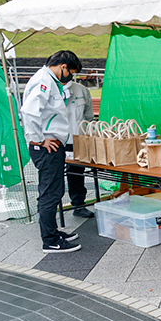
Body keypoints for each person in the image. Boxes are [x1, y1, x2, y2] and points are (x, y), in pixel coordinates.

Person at [20, 50, 83, 253]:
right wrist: (38, 140)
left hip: (53, 145)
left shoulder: (48, 80)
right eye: (71, 72)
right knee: (50, 193)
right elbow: (29, 112)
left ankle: (53, 233)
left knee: (54, 191)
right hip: (47, 147)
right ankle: (50, 240)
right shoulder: (43, 81)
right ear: (63, 67)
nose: (70, 77)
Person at [64, 77, 96, 218]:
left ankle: (79, 205)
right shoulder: (49, 88)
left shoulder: (81, 89)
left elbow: (89, 116)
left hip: (78, 138)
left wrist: (91, 133)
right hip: (57, 140)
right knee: (51, 176)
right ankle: (47, 209)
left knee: (77, 173)